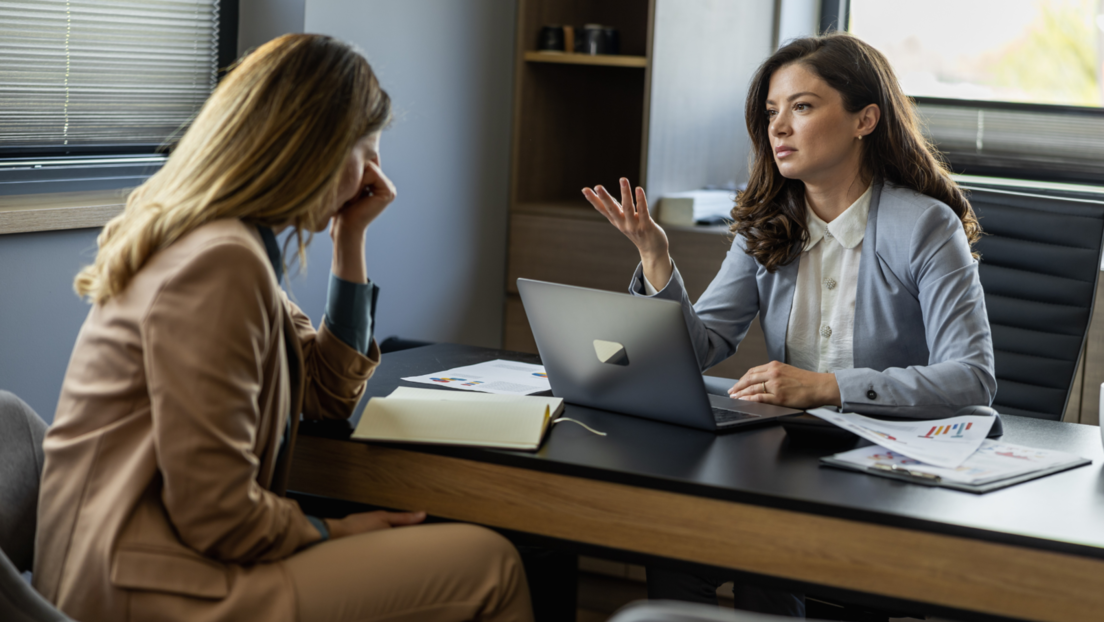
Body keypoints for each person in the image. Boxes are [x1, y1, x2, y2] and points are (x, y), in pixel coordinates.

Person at [33, 34, 533, 622]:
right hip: (148, 588)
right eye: (365, 152)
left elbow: (324, 389)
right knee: (491, 565)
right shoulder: (220, 262)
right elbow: (216, 514)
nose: (373, 173)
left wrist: (351, 239)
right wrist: (330, 532)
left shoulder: (222, 243)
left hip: (151, 564)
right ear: (316, 148)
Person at [582, 32, 996, 616]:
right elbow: (699, 348)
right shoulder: (767, 224)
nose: (779, 127)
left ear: (864, 119)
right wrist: (656, 257)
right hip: (790, 453)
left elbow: (971, 378)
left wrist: (828, 387)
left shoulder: (925, 226)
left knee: (766, 551)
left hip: (884, 456)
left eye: (802, 107)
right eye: (772, 111)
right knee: (676, 536)